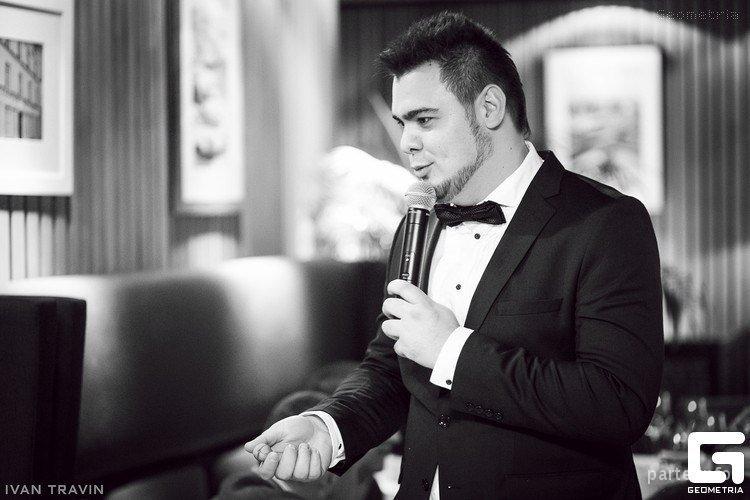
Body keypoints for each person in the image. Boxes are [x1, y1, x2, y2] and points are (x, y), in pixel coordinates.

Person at [246, 11, 664, 499]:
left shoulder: (605, 223)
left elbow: (617, 405)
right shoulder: (416, 227)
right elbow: (390, 368)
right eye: (403, 123)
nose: (407, 143)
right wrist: (327, 428)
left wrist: (452, 352)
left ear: (489, 108)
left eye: (425, 120)